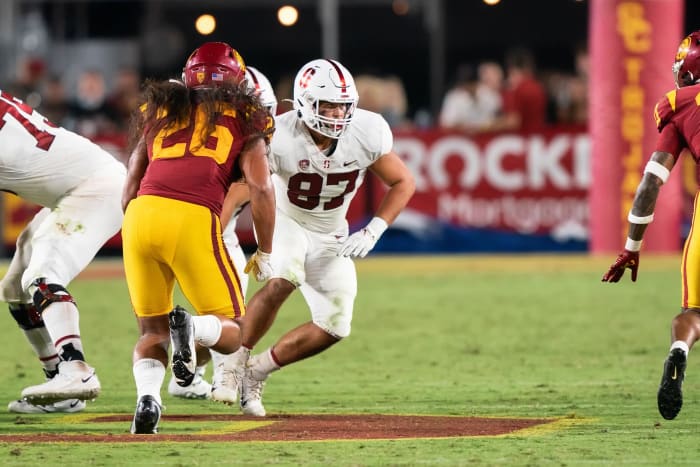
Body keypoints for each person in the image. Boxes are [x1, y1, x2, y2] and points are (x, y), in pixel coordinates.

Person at [229, 58, 415, 416]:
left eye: (343, 105)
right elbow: (246, 186)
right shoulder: (278, 134)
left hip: (331, 231)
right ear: (303, 102)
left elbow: (403, 181)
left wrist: (375, 228)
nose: (336, 113)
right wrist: (222, 225)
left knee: (336, 324)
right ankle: (235, 361)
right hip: (288, 221)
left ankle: (257, 371)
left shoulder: (366, 131)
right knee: (285, 278)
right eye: (327, 105)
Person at [121, 41, 275, 434]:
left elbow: (131, 183)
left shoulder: (163, 109)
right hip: (191, 217)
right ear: (237, 81)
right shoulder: (246, 116)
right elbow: (261, 187)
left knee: (151, 332)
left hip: (139, 216)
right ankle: (192, 329)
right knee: (235, 330)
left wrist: (140, 225)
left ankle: (148, 400)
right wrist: (266, 249)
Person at [0, 89, 126, 412]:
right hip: (77, 189)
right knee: (14, 289)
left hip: (95, 189)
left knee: (42, 274)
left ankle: (76, 371)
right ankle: (61, 384)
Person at [602, 30, 700, 421]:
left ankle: (679, 352)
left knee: (693, 310)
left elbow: (649, 185)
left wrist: (631, 247)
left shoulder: (679, 106)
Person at [166, 65, 279, 401]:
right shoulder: (239, 143)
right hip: (204, 226)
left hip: (159, 219)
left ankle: (188, 376)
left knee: (215, 315)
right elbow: (223, 211)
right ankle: (225, 380)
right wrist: (267, 251)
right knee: (229, 314)